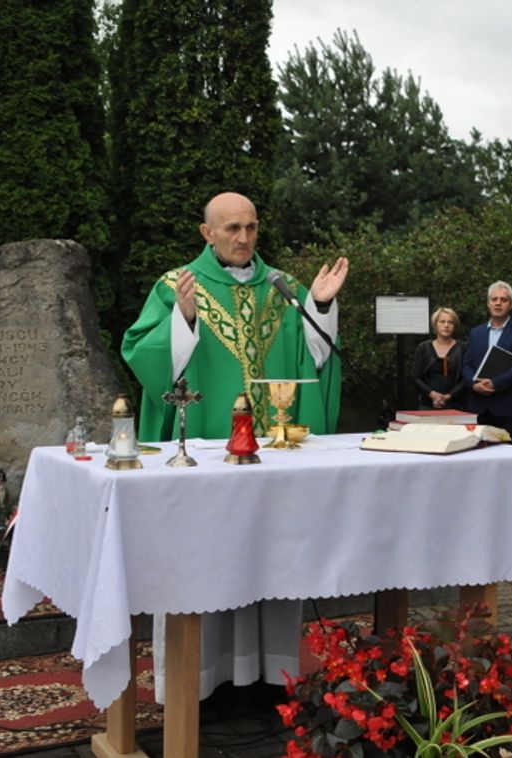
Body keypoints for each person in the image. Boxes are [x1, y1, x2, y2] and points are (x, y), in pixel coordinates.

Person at [121, 191, 348, 702]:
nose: (243, 238)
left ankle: (269, 679)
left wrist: (323, 305)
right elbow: (143, 354)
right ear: (207, 233)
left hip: (271, 457)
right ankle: (196, 684)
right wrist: (184, 320)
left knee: (270, 559)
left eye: (251, 227)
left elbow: (312, 359)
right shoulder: (176, 285)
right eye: (231, 229)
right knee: (203, 561)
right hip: (207, 458)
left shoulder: (281, 286)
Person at [461, 281, 512, 441]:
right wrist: (473, 384)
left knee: (509, 459)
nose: (498, 303)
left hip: (507, 408)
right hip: (478, 408)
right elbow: (466, 364)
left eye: (503, 299)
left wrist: (495, 383)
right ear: (488, 303)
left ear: (511, 305)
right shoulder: (476, 333)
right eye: (494, 299)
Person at [412, 307, 466, 410]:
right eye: (442, 322)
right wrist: (432, 394)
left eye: (450, 322)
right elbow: (416, 377)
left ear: (454, 326)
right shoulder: (423, 348)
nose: (446, 325)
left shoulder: (463, 348)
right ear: (435, 325)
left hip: (457, 406)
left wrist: (449, 396)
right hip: (427, 405)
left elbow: (466, 378)